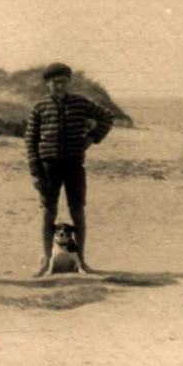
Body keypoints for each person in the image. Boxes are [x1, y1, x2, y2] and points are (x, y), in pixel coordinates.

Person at [25, 62, 115, 276]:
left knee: (77, 211)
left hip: (74, 164)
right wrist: (35, 172)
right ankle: (47, 262)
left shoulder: (81, 103)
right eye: (55, 82)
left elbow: (107, 117)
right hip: (49, 166)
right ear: (47, 84)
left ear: (69, 82)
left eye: (64, 82)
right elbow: (30, 140)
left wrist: (91, 138)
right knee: (48, 212)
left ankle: (81, 262)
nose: (60, 86)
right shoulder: (39, 107)